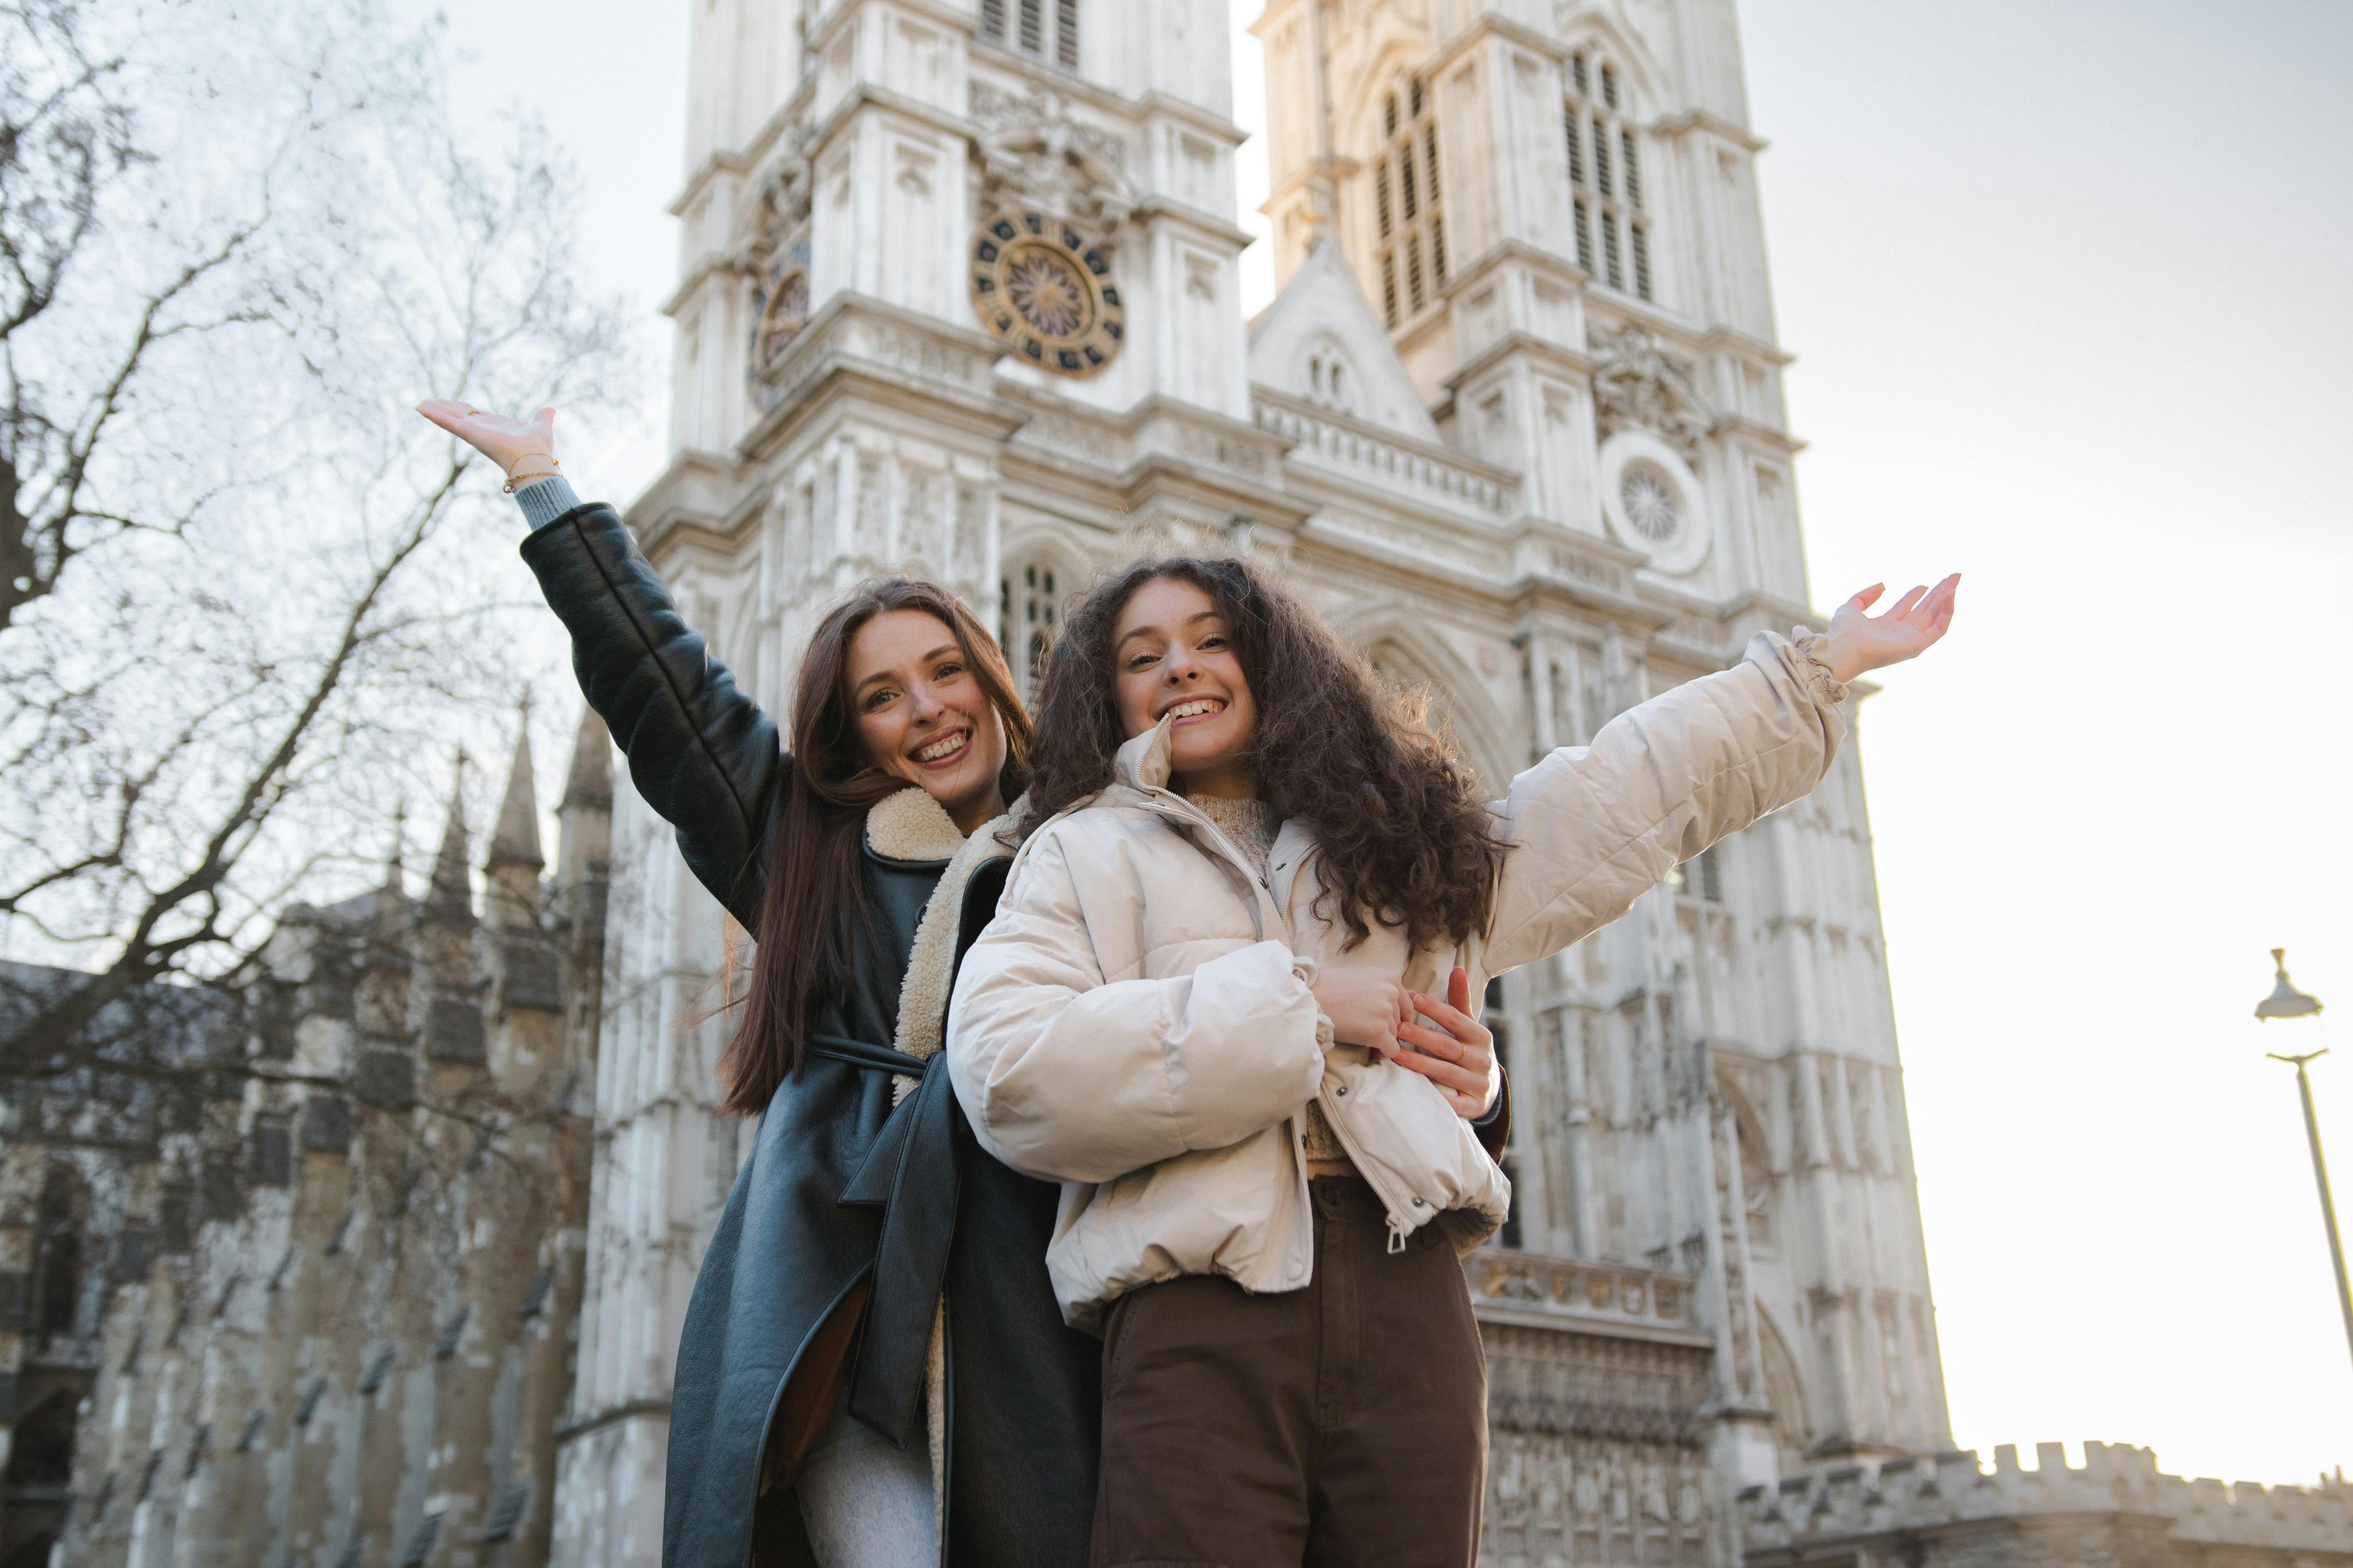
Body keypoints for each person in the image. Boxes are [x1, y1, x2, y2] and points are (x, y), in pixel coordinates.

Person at [944, 554, 1957, 1567]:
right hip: (1198, 1311)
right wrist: (1300, 1009)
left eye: (1213, 639)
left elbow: (1616, 793)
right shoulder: (1077, 855)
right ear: (1104, 691)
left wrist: (1813, 672)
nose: (1182, 667)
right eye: (1143, 654)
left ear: (1269, 661)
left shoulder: (1391, 844)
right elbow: (1011, 1072)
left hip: (1407, 1292)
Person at [413, 402, 1101, 1568]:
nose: (927, 707)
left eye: (945, 673)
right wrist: (546, 487)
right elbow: (663, 693)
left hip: (1039, 1314)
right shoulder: (805, 849)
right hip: (851, 1304)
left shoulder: (1096, 853)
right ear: (855, 732)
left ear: (990, 681)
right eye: (884, 695)